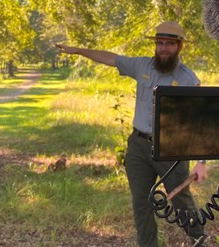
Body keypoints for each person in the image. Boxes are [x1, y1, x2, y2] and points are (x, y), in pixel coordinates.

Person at [56, 21, 208, 247]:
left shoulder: (188, 79)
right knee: (141, 203)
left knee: (181, 202)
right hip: (138, 146)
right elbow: (110, 58)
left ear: (179, 47)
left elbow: (200, 122)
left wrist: (201, 162)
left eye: (169, 44)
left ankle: (200, 240)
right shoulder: (142, 66)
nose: (163, 48)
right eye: (160, 43)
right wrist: (79, 51)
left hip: (171, 149)